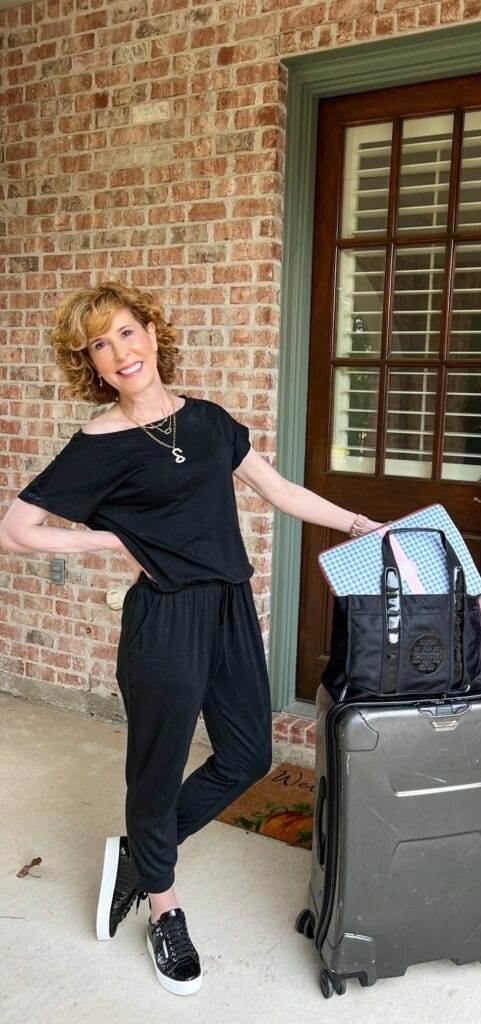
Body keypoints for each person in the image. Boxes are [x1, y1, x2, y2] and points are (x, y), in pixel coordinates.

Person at [0, 280, 384, 996]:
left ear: (151, 331)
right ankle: (162, 905)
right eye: (99, 345)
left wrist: (361, 525)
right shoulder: (97, 444)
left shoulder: (207, 422)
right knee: (157, 764)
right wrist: (111, 538)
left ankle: (142, 855)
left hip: (229, 607)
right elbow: (17, 529)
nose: (119, 352)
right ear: (90, 362)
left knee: (248, 755)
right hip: (164, 620)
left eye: (125, 332)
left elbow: (279, 491)